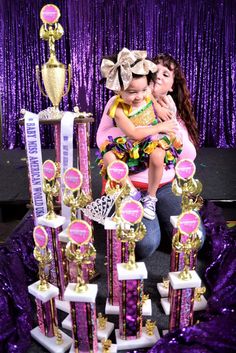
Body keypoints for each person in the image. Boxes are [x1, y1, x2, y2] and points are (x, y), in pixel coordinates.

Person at [97, 52, 203, 260]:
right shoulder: (119, 103)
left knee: (196, 237)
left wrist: (174, 129)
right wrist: (149, 131)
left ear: (172, 86)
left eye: (166, 74)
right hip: (133, 184)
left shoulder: (168, 108)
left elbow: (187, 154)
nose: (159, 76)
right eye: (156, 70)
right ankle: (141, 213)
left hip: (164, 185)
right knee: (145, 245)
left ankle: (157, 216)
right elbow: (102, 139)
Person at [97, 48, 180, 220]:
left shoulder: (146, 93)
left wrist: (159, 109)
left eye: (142, 90)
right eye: (132, 92)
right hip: (135, 141)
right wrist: (160, 126)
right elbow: (133, 133)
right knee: (108, 157)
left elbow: (150, 99)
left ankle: (150, 196)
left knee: (158, 155)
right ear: (117, 89)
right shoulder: (117, 109)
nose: (139, 96)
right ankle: (130, 192)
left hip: (152, 140)